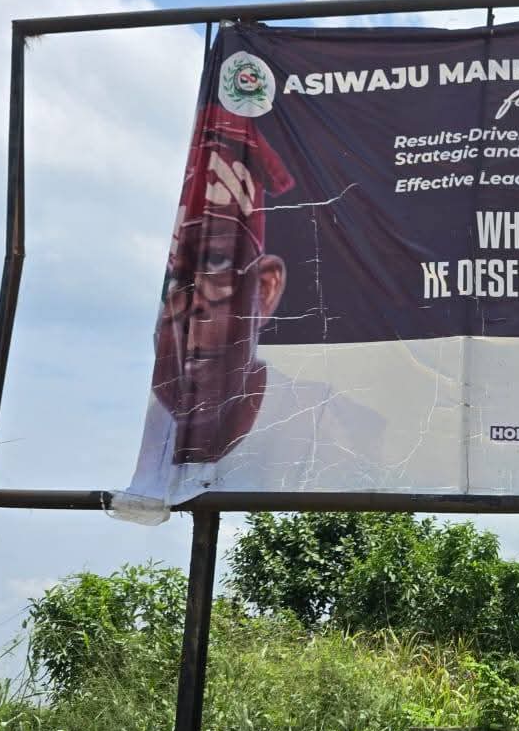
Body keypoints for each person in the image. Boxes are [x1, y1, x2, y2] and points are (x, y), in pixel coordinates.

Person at [117, 100, 386, 515]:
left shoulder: (338, 427)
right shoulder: (160, 436)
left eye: (215, 265)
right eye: (174, 284)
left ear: (265, 288)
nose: (191, 310)